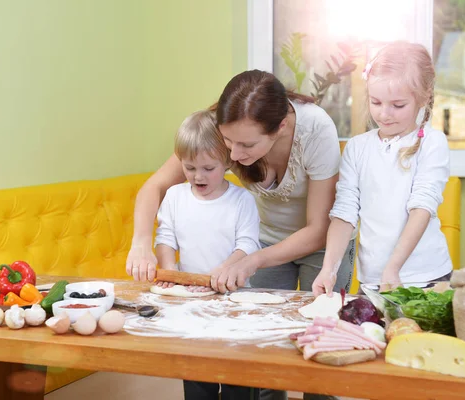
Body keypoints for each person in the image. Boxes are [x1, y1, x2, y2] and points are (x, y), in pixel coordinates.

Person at [126, 70, 354, 400]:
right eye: (228, 142)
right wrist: (140, 243)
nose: (233, 155)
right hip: (266, 242)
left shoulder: (316, 129)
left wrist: (251, 260)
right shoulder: (224, 123)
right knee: (264, 352)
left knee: (320, 357)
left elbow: (319, 230)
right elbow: (155, 186)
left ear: (281, 128)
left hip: (322, 247)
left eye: (246, 145)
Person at [312, 41, 453, 297]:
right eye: (376, 102)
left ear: (423, 97)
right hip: (373, 281)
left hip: (427, 278)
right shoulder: (357, 148)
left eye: (398, 105)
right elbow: (344, 213)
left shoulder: (432, 143)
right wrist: (328, 268)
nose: (385, 114)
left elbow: (422, 207)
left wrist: (393, 267)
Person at [155, 109, 261, 399]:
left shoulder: (241, 201)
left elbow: (248, 245)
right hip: (191, 304)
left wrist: (224, 270)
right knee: (197, 375)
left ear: (227, 161)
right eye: (189, 168)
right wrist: (168, 270)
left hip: (235, 302)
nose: (198, 176)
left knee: (237, 381)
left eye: (208, 168)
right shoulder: (175, 197)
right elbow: (165, 237)